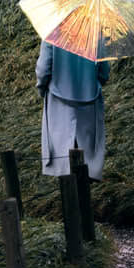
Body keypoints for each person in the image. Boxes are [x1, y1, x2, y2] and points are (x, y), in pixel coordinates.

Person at [36, 40, 110, 180]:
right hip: (89, 100)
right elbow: (104, 72)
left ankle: (69, 194)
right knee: (86, 160)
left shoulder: (53, 30)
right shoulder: (94, 32)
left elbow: (43, 69)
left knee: (63, 156)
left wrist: (42, 88)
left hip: (59, 101)